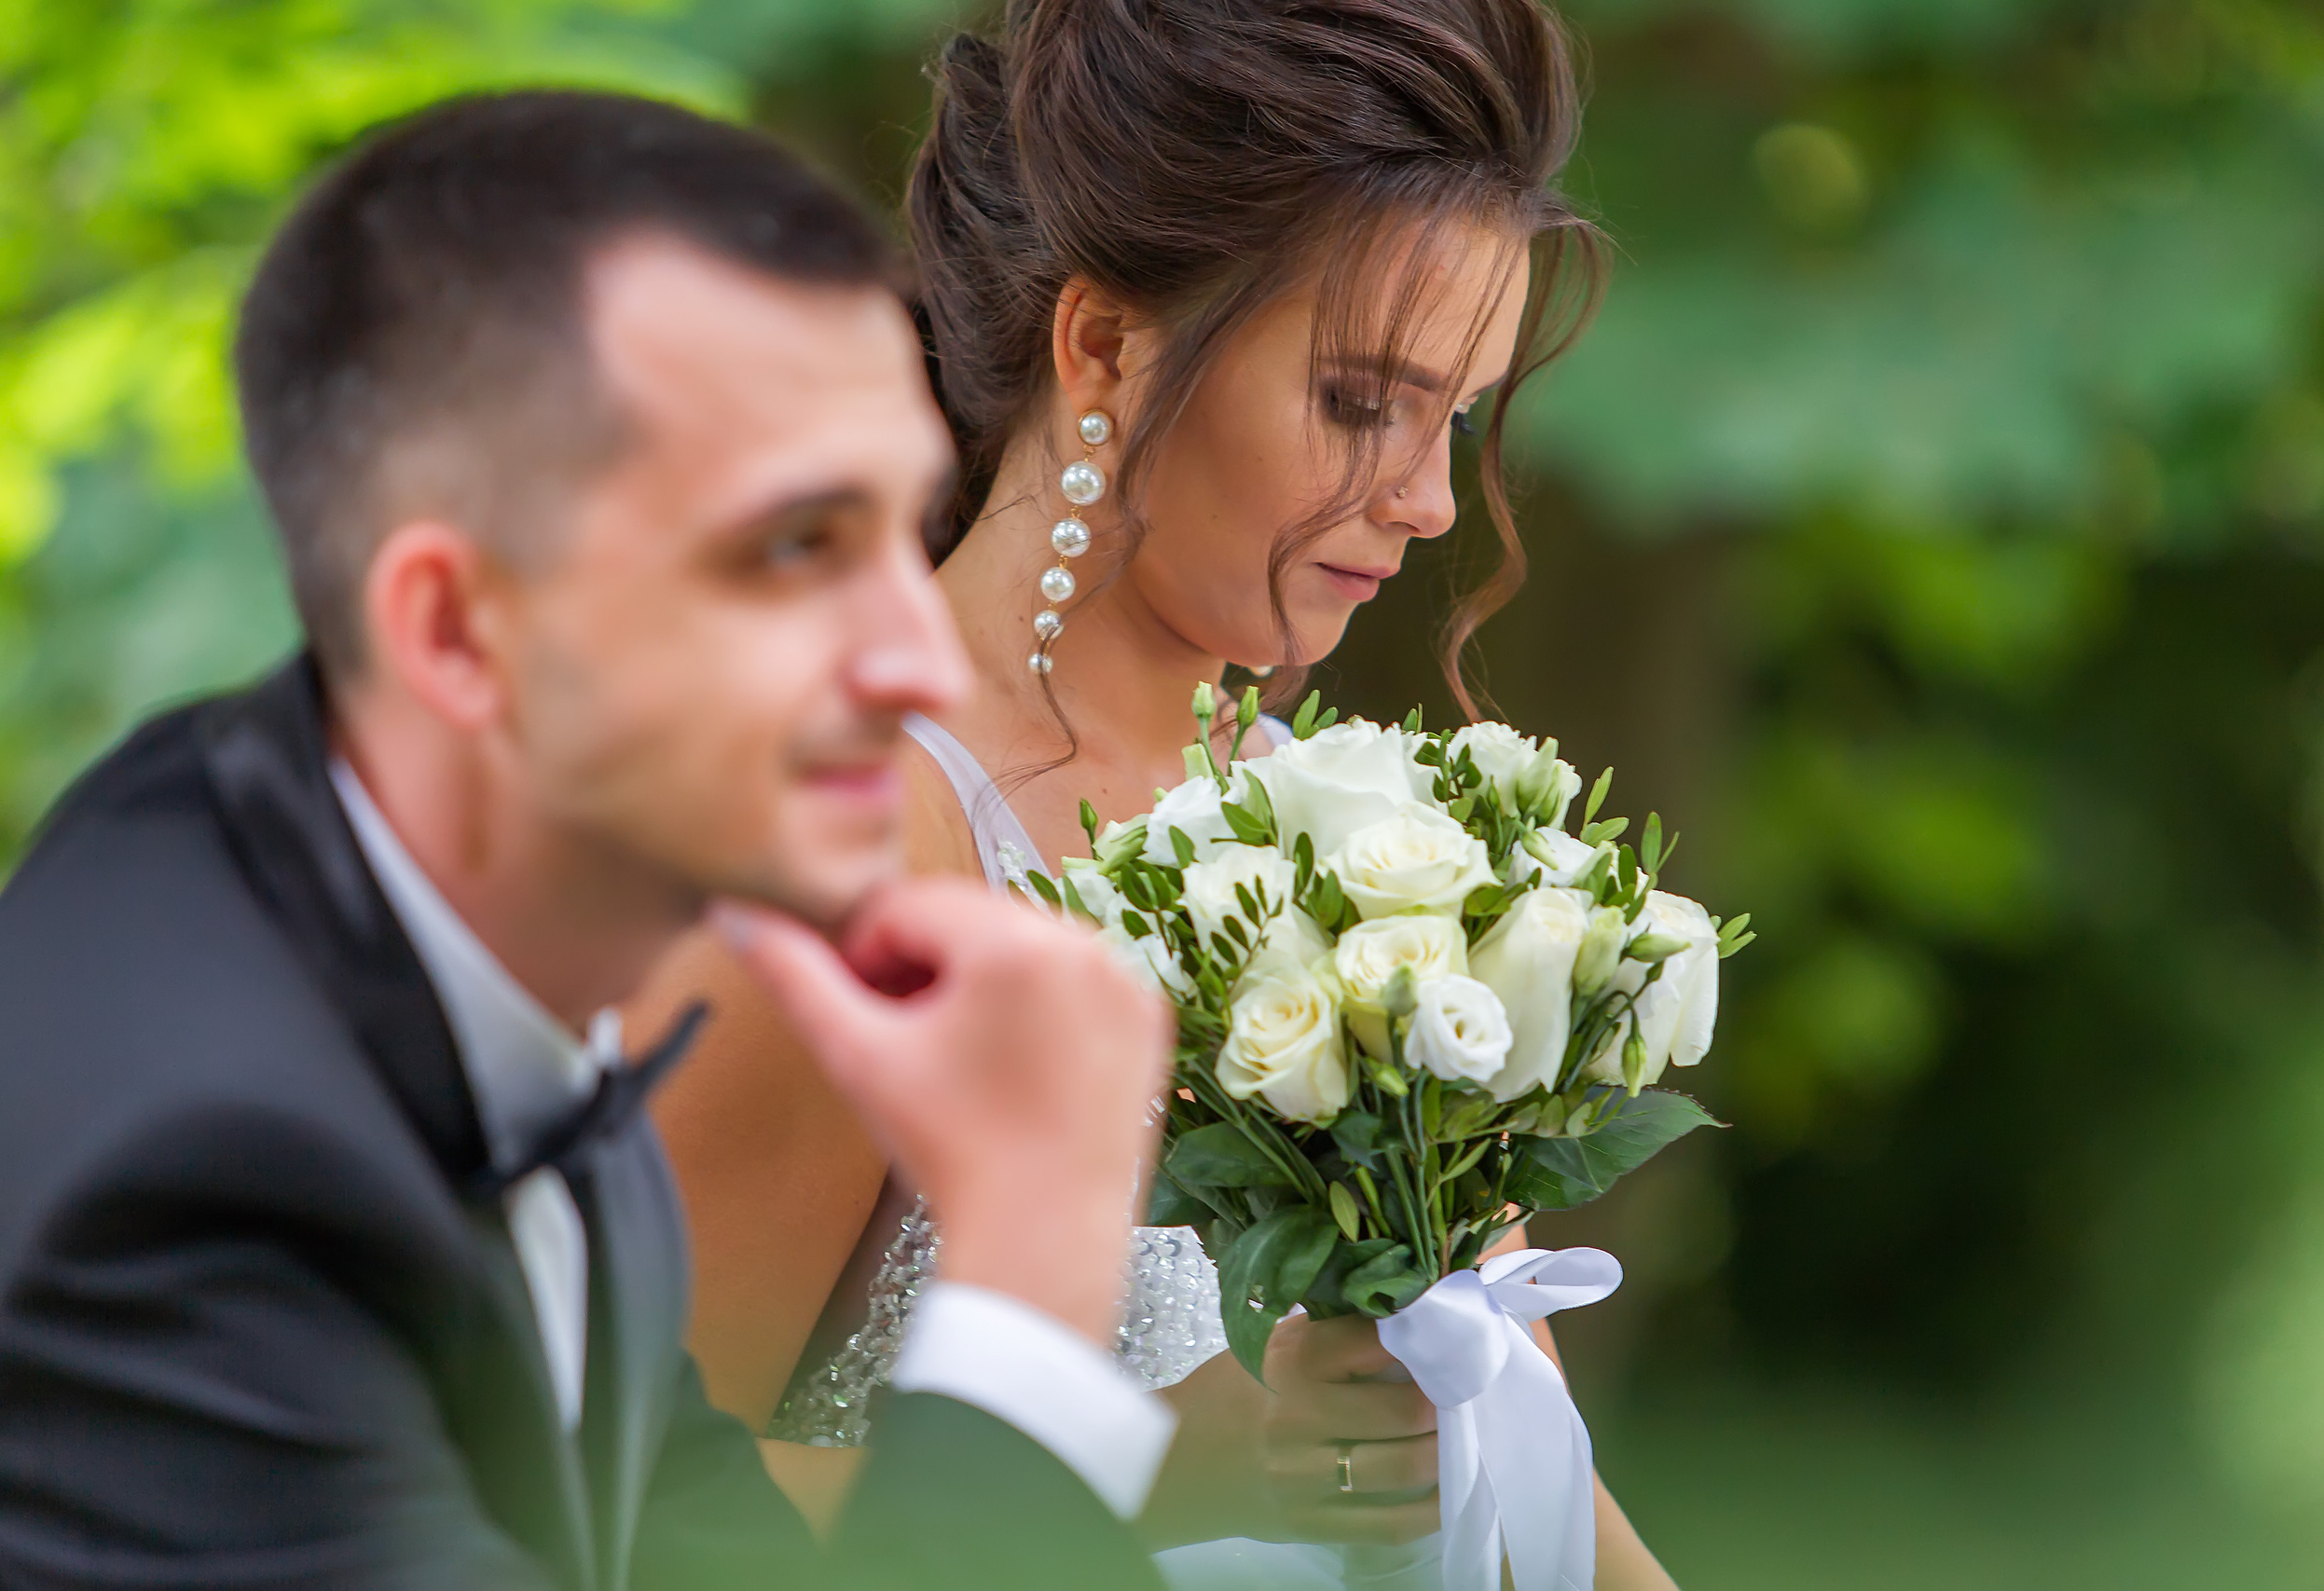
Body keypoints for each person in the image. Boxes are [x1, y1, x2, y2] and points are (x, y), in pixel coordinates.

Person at [0, 89, 1189, 1591]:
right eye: (795, 547)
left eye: (905, 529)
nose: (915, 658)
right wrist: (1030, 1259)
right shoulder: (197, 1188)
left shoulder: (498, 986)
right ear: (455, 631)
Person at [637, 1, 1679, 1584]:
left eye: (1454, 418)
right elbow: (616, 1509)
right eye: (1360, 403)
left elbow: (1535, 1458)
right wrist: (1178, 1463)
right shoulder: (836, 854)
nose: (1425, 500)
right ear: (1107, 349)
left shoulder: (1346, 847)